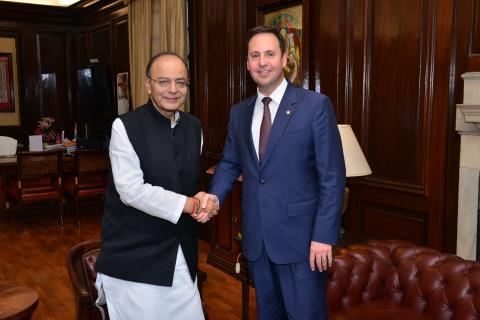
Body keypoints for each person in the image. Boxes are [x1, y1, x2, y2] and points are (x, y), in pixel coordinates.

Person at [209, 26, 346, 319]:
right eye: (255, 55)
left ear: (284, 59)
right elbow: (230, 163)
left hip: (303, 243)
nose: (262, 62)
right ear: (246, 64)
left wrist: (323, 235)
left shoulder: (315, 106)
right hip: (257, 242)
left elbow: (332, 177)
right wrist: (213, 198)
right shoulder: (239, 113)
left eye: (270, 54)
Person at [95, 52, 218, 320]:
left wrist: (203, 199)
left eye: (181, 82)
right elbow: (131, 191)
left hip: (181, 253)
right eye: (164, 81)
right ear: (148, 84)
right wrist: (190, 204)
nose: (173, 90)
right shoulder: (124, 127)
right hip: (135, 258)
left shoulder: (194, 126)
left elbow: (186, 182)